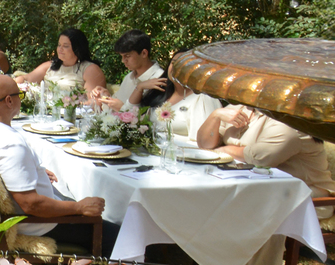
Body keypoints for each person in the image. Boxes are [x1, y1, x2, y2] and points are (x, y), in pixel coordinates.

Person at [0, 74, 120, 254]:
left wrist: (34, 172)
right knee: (117, 235)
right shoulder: (10, 144)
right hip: (37, 223)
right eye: (19, 95)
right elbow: (31, 204)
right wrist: (79, 207)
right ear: (9, 101)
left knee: (68, 195)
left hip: (6, 215)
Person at [197, 106, 335, 205]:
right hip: (262, 186)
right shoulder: (244, 108)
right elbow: (205, 145)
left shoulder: (291, 120)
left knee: (241, 203)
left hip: (309, 198)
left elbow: (259, 157)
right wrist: (216, 115)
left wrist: (223, 149)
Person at [16, 28, 107, 96]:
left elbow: (94, 103)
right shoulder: (50, 66)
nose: (60, 49)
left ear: (78, 48)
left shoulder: (90, 69)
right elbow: (26, 79)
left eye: (65, 46)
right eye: (59, 45)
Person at [92, 30, 163, 110]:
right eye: (122, 56)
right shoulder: (129, 77)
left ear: (144, 53)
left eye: (127, 56)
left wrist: (122, 109)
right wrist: (106, 96)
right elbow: (117, 104)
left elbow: (153, 117)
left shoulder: (159, 79)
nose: (123, 60)